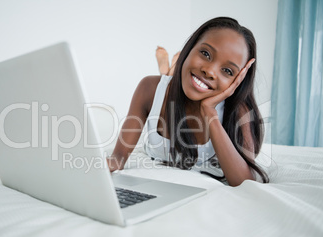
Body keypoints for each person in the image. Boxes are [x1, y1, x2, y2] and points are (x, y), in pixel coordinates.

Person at [107, 17, 268, 186]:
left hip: (192, 83)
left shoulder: (238, 109)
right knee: (168, 84)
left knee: (176, 79)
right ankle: (168, 72)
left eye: (227, 71)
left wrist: (210, 113)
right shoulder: (149, 89)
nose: (210, 71)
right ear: (189, 48)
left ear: (239, 80)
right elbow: (118, 158)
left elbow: (244, 182)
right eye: (205, 54)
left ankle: (168, 70)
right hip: (175, 87)